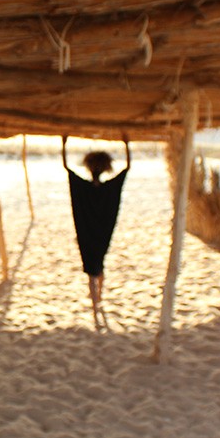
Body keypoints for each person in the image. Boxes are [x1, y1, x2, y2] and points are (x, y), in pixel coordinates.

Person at [62, 135, 131, 329]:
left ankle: (95, 304)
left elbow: (67, 168)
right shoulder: (108, 189)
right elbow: (126, 170)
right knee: (99, 265)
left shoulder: (82, 187)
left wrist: (64, 143)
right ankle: (98, 298)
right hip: (102, 232)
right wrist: (126, 145)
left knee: (92, 268)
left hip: (86, 232)